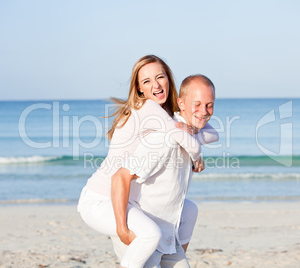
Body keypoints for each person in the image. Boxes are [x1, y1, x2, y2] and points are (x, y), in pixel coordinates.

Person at [77, 55, 218, 268]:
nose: (156, 85)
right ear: (140, 89)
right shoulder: (149, 109)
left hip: (128, 196)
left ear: (169, 79)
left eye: (160, 77)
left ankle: (173, 255)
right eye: (146, 81)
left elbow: (208, 133)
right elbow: (180, 137)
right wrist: (197, 157)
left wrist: (192, 135)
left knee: (189, 210)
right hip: (105, 196)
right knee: (150, 235)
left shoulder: (165, 115)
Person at [111, 74, 216, 268]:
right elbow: (120, 177)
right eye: (197, 104)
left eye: (209, 105)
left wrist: (196, 156)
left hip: (168, 236)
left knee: (191, 209)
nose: (204, 111)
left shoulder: (191, 135)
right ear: (181, 103)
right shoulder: (165, 139)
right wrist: (122, 230)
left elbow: (210, 135)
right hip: (143, 234)